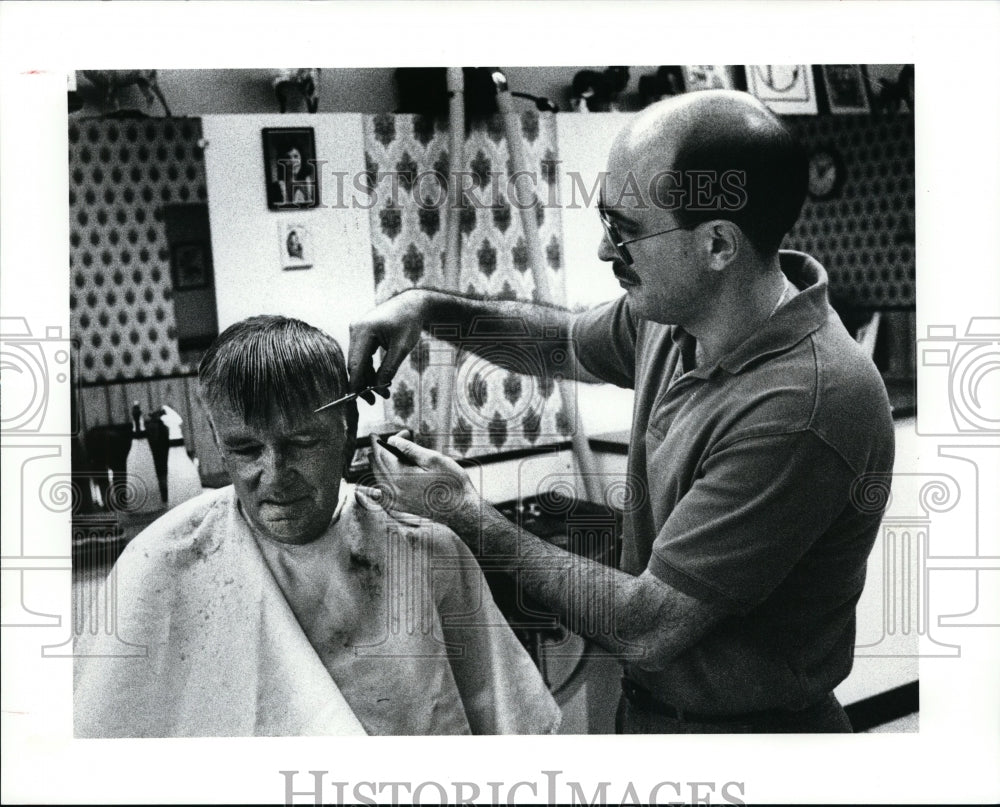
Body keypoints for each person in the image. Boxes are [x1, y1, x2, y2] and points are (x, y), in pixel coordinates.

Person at [350, 90, 895, 734]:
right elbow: (552, 343)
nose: (608, 252)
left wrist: (464, 514)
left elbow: (650, 627)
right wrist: (428, 309)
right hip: (653, 716)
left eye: (626, 230)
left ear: (718, 244)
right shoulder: (678, 317)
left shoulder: (804, 404)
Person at [73, 315, 559, 737]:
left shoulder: (425, 550)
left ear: (349, 435)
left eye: (303, 442)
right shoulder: (165, 558)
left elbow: (513, 737)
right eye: (245, 450)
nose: (275, 474)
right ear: (218, 442)